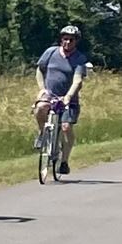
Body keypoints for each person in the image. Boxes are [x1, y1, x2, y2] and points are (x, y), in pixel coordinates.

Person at [36, 22, 90, 174]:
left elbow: (77, 80)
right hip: (50, 95)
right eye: (65, 39)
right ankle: (42, 134)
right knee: (40, 108)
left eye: (71, 40)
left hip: (68, 99)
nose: (67, 42)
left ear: (76, 41)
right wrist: (42, 89)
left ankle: (64, 161)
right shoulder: (51, 52)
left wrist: (68, 97)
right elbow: (40, 70)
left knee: (66, 127)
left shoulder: (79, 58)